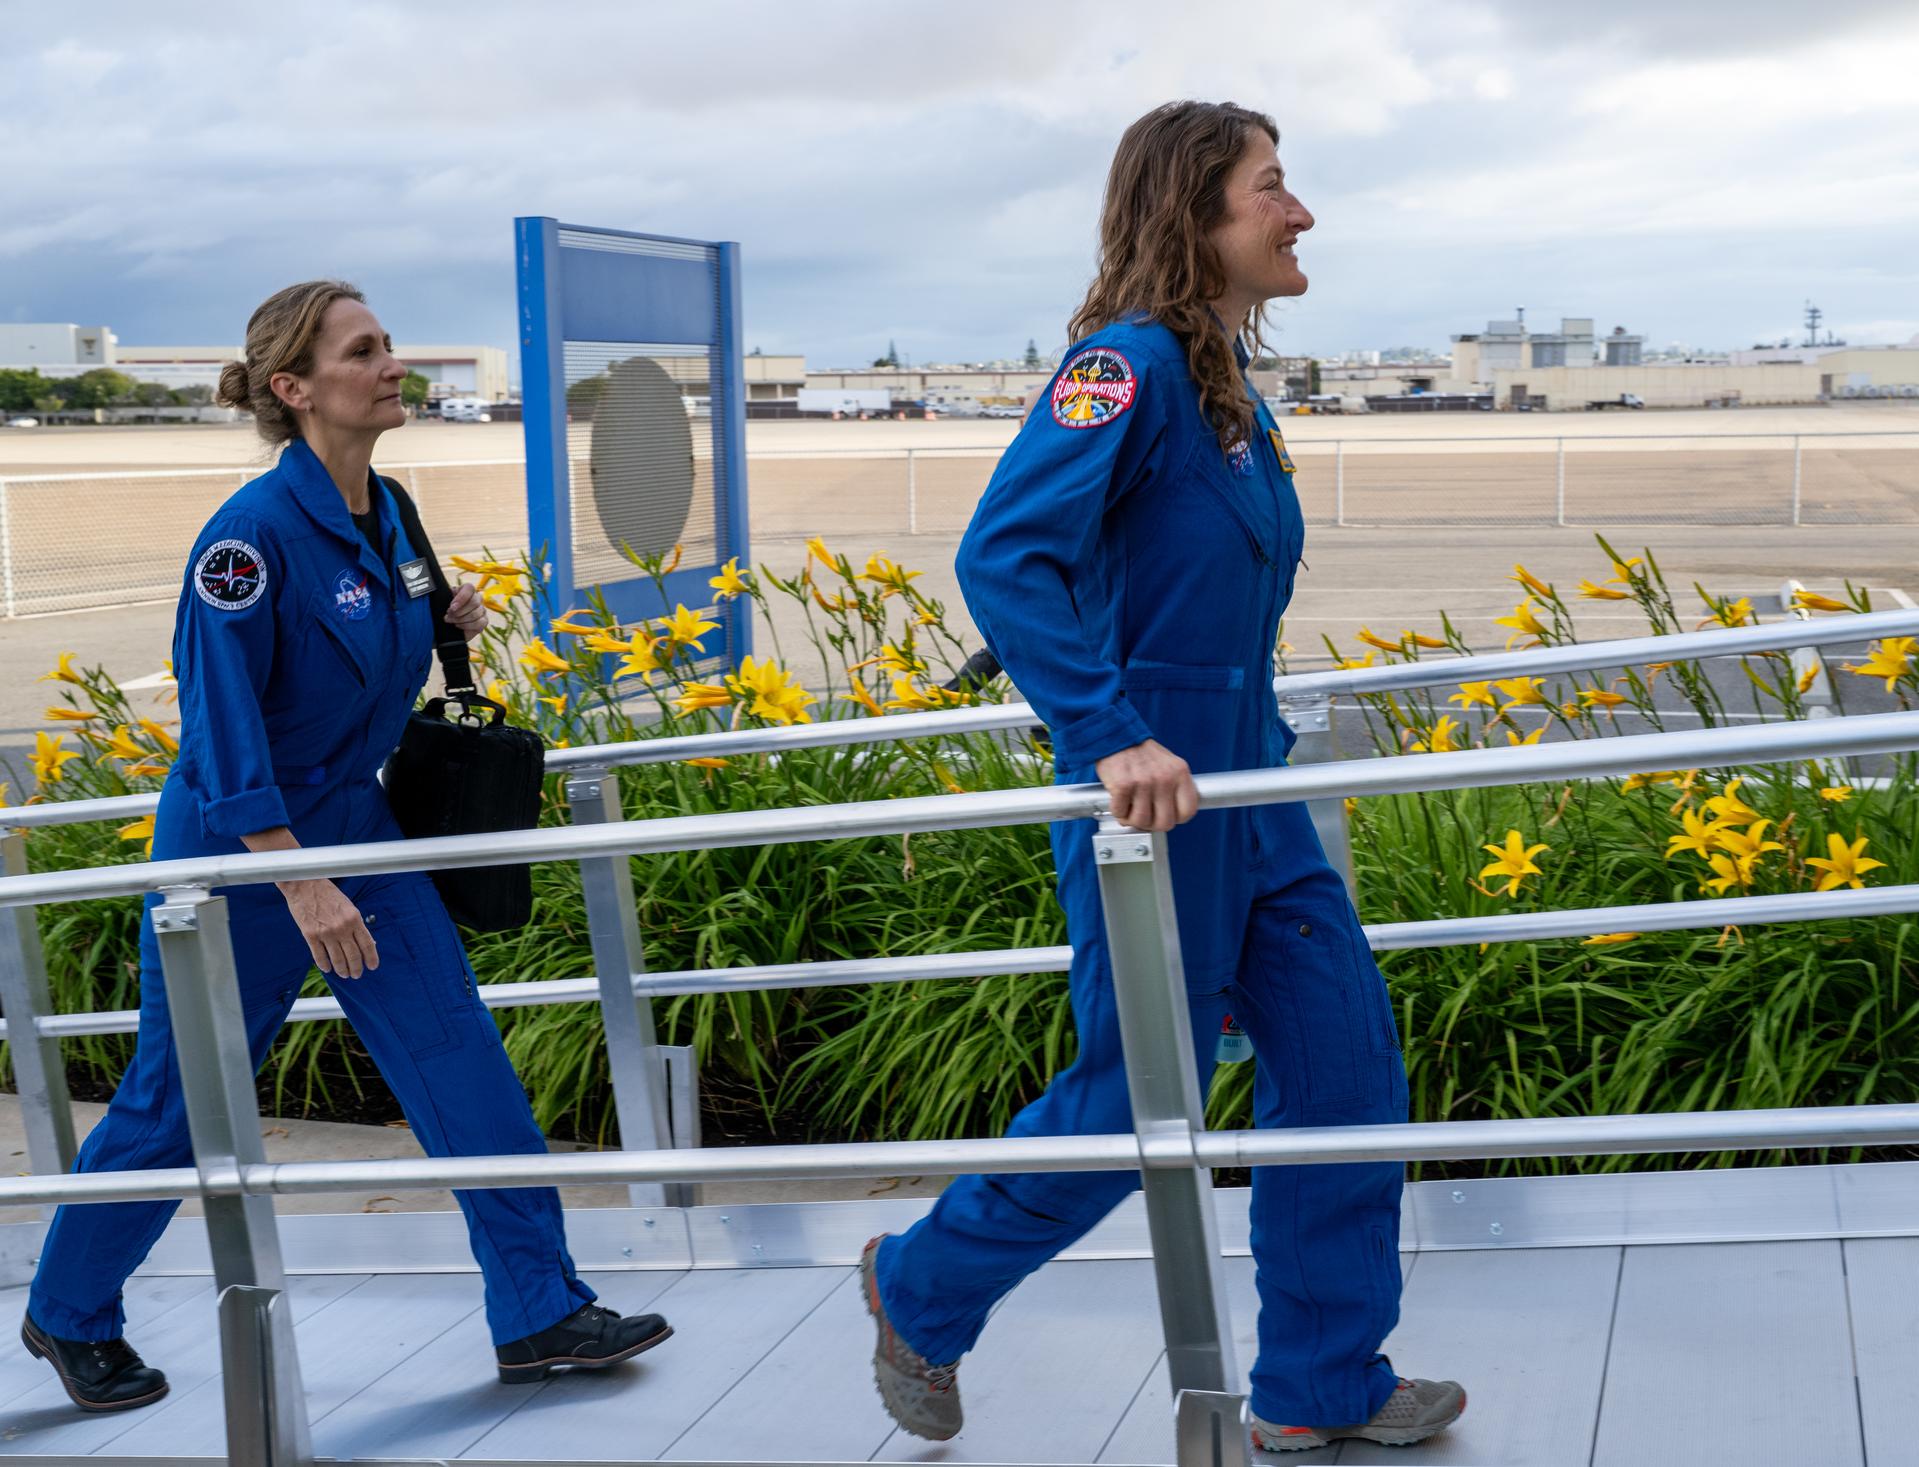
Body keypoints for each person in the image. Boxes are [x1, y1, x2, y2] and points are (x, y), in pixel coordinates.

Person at [860, 103, 1466, 1454]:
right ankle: (920, 1280)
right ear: (1193, 215)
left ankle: (1318, 1381)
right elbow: (1006, 554)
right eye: (1269, 188)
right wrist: (1108, 726)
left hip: (1254, 796)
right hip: (1159, 802)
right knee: (1143, 1092)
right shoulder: (1120, 369)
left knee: (1345, 1064)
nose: (1296, 212)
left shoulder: (1225, 391)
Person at [20, 281, 672, 1412]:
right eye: (364, 352)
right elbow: (221, 735)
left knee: (460, 1061)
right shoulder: (246, 541)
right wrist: (297, 875)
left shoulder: (392, 507)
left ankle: (540, 1311)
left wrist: (446, 618)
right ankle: (67, 1314)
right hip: (240, 858)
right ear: (295, 388)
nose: (392, 365)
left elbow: (390, 613)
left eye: (387, 347)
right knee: (175, 1105)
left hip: (358, 833)